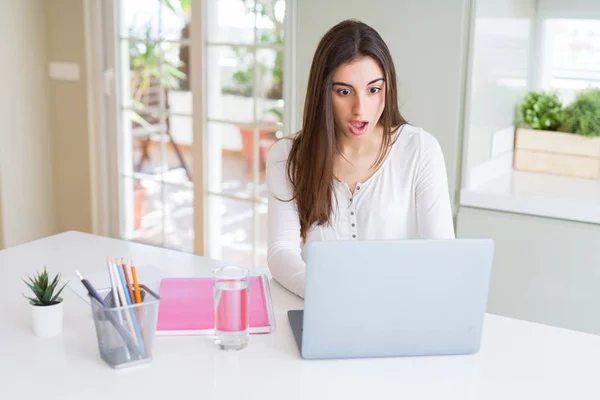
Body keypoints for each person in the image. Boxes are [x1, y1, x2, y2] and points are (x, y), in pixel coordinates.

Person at [266, 19, 455, 298]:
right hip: (321, 309)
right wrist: (325, 292)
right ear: (323, 92)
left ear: (387, 88)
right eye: (344, 91)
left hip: (397, 312)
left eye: (373, 90)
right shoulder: (287, 157)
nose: (360, 109)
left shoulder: (420, 150)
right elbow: (281, 252)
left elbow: (441, 254)